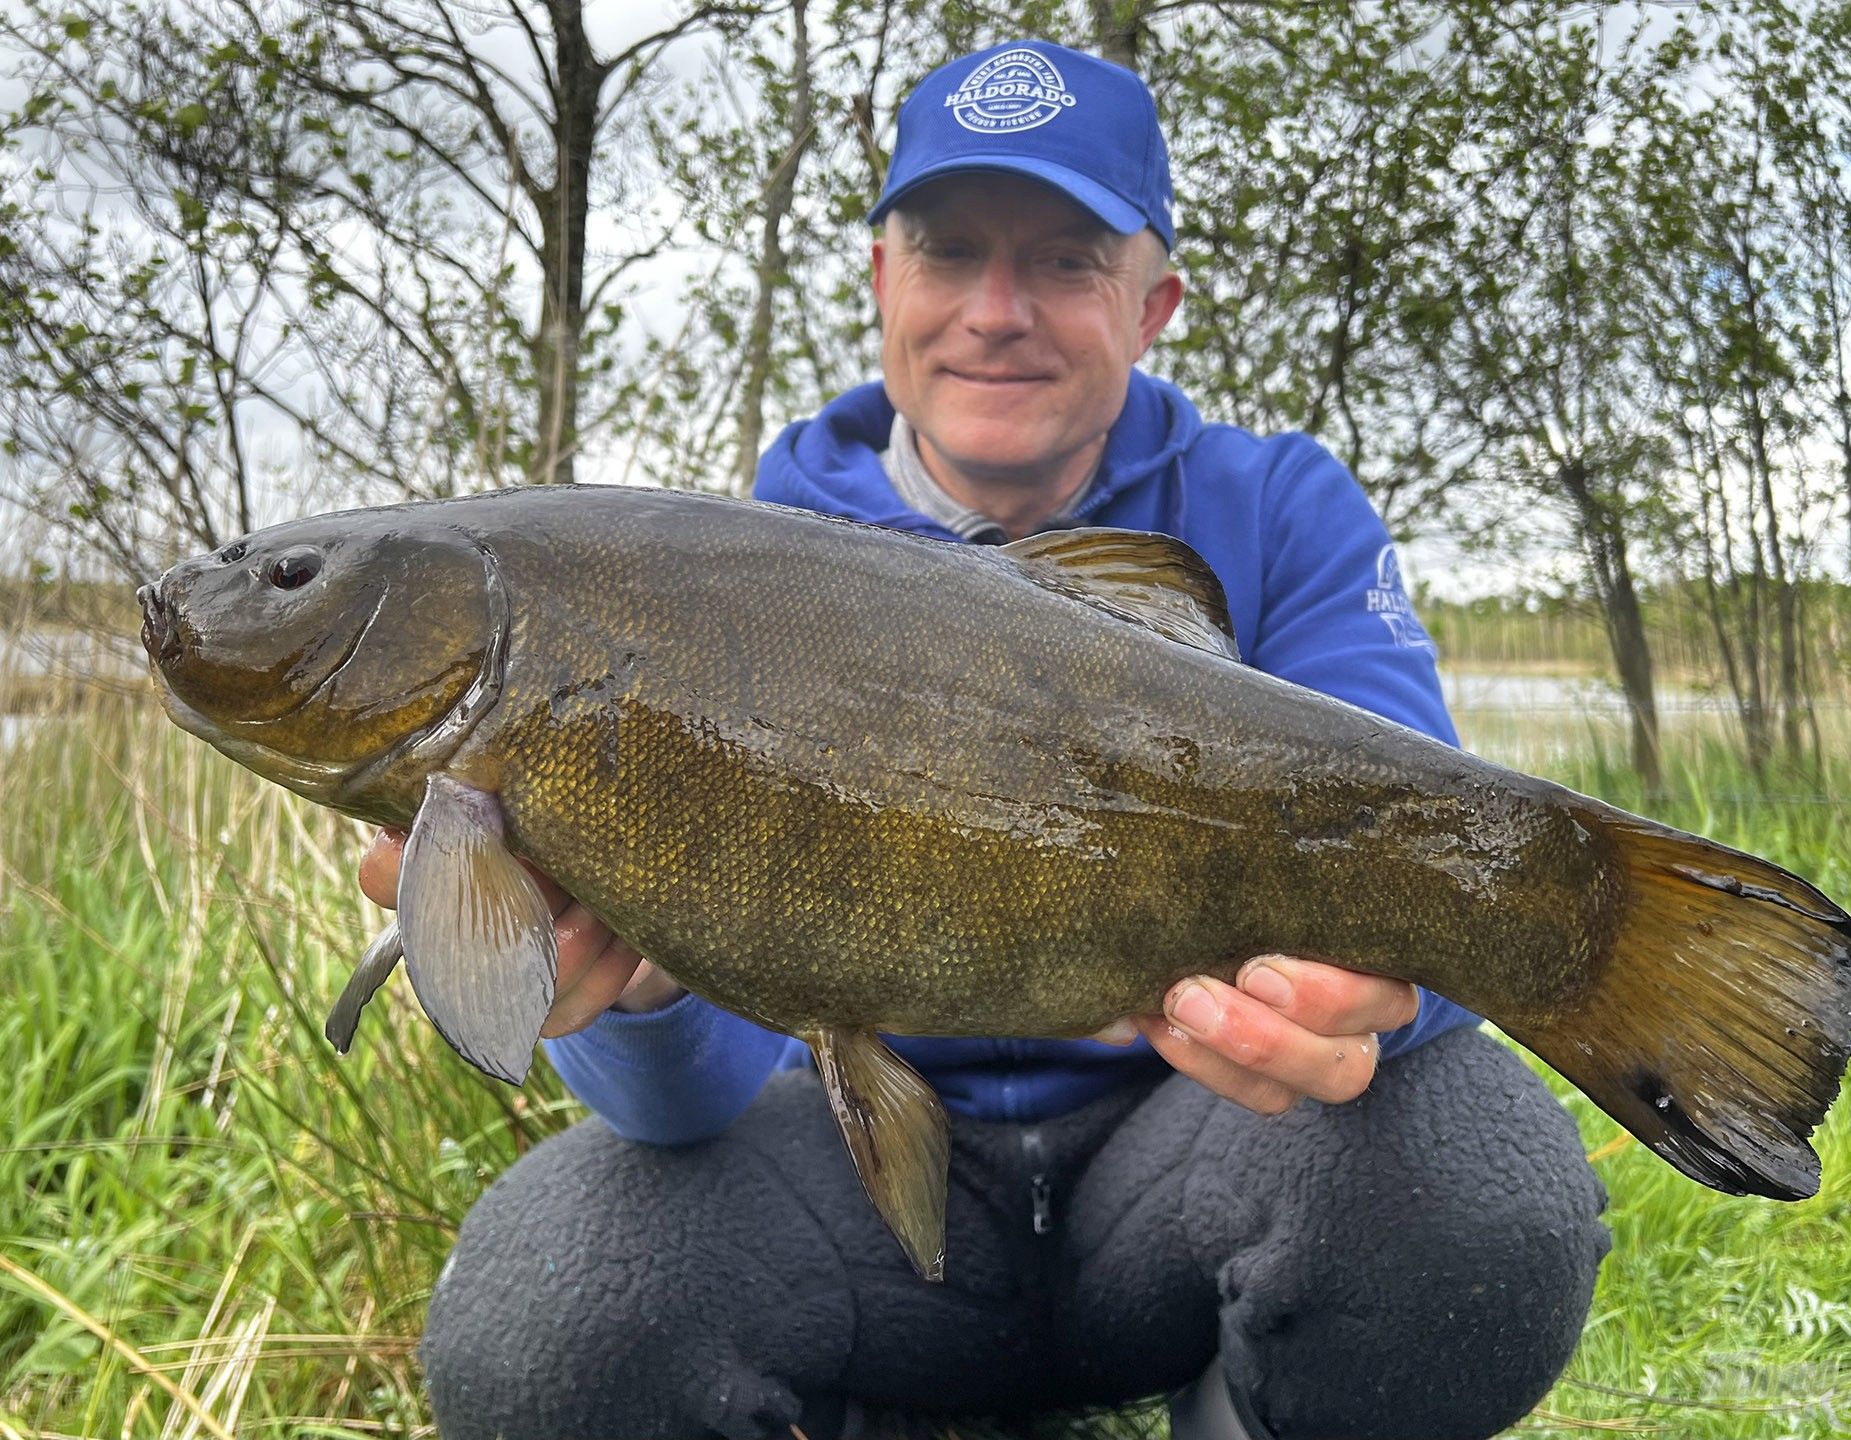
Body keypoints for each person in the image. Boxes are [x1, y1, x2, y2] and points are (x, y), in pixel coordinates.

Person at [357, 38, 1609, 1440]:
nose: (995, 312)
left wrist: (1378, 996)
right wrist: (632, 991)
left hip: (1193, 1161)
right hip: (870, 1194)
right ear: (883, 282)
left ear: (1155, 304)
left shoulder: (1282, 510)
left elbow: (1435, 870)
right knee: (542, 1315)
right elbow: (685, 1105)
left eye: (1065, 260)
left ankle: (1245, 1407)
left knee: (1483, 1180)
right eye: (950, 252)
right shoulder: (714, 579)